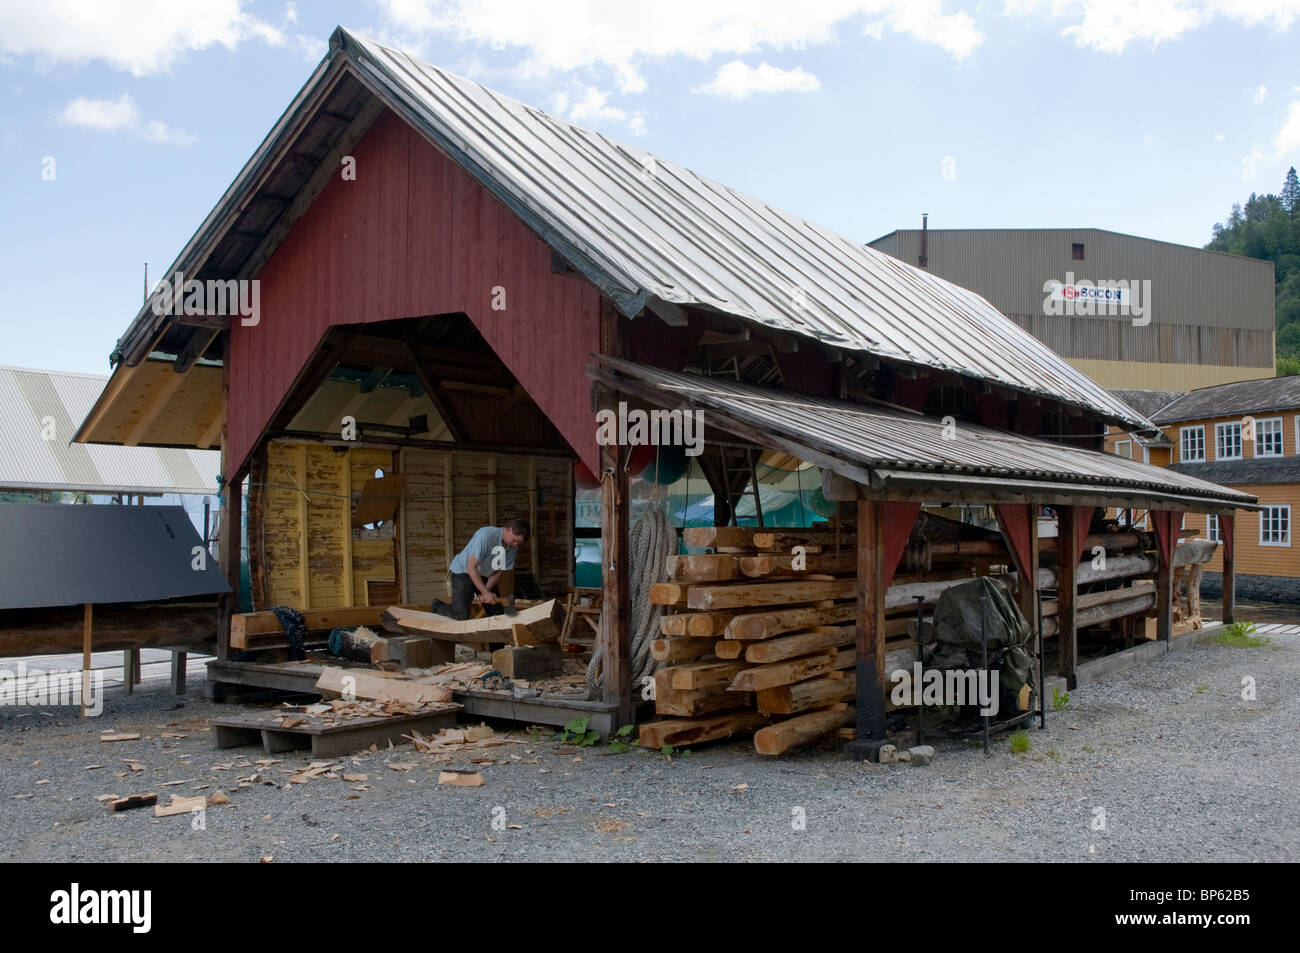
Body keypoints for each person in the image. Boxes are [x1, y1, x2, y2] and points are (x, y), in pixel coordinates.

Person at [432, 518, 530, 620]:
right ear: (509, 529)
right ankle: (436, 605)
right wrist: (485, 592)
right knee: (460, 614)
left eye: (518, 543)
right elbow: (471, 567)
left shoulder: (513, 546)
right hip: (463, 572)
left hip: (485, 574)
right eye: (515, 540)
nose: (515, 545)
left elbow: (498, 571)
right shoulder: (486, 535)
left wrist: (486, 591)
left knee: (497, 614)